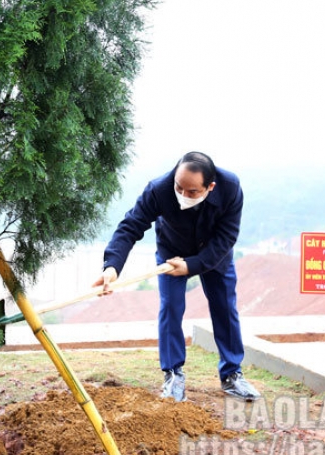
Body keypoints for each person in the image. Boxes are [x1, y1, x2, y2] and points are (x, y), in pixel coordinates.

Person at [93, 151, 260, 401]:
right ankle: (173, 374)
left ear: (210, 187)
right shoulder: (158, 190)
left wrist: (193, 265)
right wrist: (112, 266)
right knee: (171, 307)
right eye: (179, 188)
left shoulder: (230, 187)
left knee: (225, 307)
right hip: (171, 252)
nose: (183, 196)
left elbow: (227, 236)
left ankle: (232, 374)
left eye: (192, 192)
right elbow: (130, 226)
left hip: (214, 253)